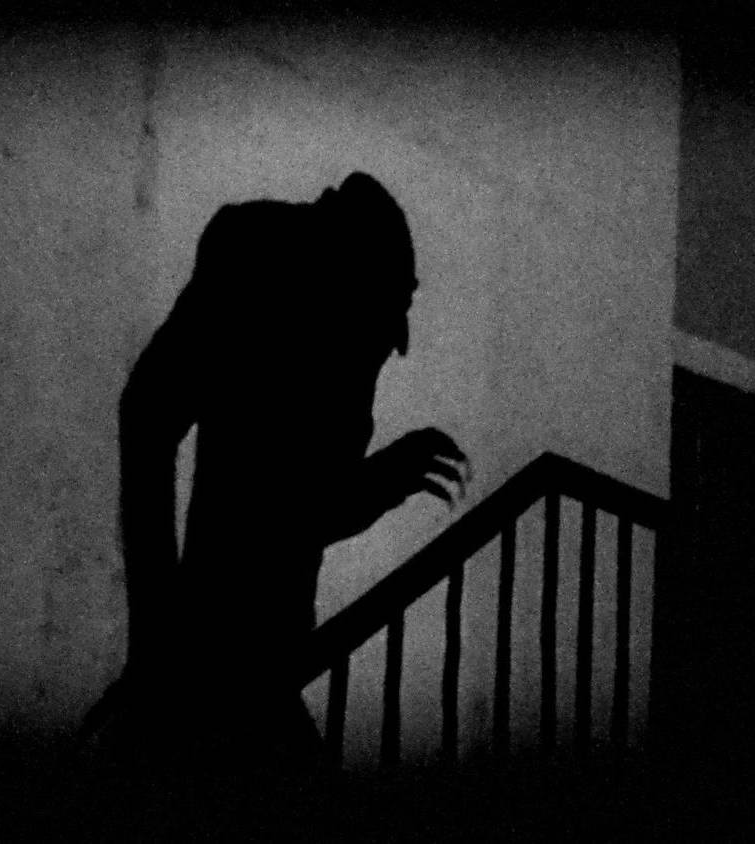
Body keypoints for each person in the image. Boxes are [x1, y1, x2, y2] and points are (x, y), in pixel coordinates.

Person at [85, 173, 469, 834]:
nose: (395, 343)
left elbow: (296, 510)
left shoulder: (316, 320)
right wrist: (158, 641)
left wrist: (386, 479)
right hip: (221, 670)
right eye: (393, 311)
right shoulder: (263, 269)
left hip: (250, 667)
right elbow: (153, 414)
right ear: (356, 286)